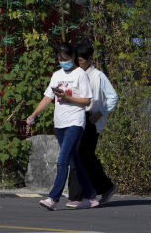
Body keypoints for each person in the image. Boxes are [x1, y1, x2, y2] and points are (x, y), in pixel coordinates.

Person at [25, 43, 99, 211]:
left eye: (65, 59)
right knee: (74, 162)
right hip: (60, 123)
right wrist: (34, 114)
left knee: (62, 160)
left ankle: (53, 198)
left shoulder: (80, 74)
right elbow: (47, 97)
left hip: (75, 122)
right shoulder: (56, 75)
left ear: (72, 58)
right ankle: (91, 195)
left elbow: (87, 100)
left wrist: (68, 97)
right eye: (59, 59)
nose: (62, 62)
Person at [65, 42, 119, 206]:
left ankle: (77, 196)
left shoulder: (98, 76)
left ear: (89, 59)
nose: (78, 64)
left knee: (79, 154)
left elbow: (113, 97)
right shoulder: (74, 74)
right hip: (76, 117)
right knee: (85, 156)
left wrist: (101, 112)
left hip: (90, 120)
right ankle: (103, 187)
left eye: (80, 61)